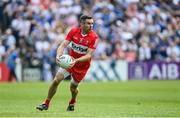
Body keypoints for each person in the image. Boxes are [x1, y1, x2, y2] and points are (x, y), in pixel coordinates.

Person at [36, 15, 99, 111]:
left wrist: (76, 61)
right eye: (89, 23)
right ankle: (46, 103)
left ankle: (73, 101)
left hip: (81, 66)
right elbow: (63, 45)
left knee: (73, 88)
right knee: (56, 80)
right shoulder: (73, 31)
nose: (91, 25)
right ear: (81, 24)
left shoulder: (94, 37)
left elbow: (88, 55)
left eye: (92, 23)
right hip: (69, 62)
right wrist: (58, 55)